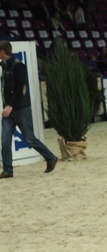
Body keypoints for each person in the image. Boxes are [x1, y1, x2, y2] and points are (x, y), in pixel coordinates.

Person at [0, 41, 57, 178]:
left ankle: (50, 157)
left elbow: (21, 88)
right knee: (5, 141)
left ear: (2, 51)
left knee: (29, 138)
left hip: (20, 109)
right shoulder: (4, 65)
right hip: (8, 109)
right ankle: (7, 170)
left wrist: (10, 106)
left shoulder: (18, 66)